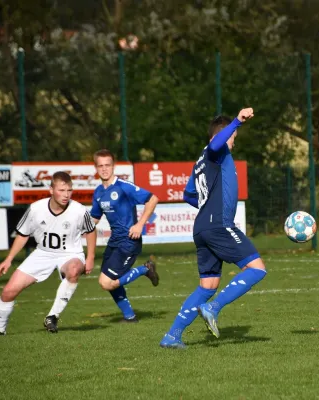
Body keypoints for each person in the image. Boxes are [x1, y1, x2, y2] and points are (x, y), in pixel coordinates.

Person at [160, 108, 267, 349]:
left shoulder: (200, 162)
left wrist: (206, 205)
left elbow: (188, 195)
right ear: (222, 135)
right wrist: (237, 121)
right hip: (218, 224)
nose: (233, 143)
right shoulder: (216, 151)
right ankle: (214, 308)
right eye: (233, 138)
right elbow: (217, 143)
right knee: (257, 269)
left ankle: (172, 335)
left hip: (202, 227)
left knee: (207, 285)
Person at [0, 172, 97, 336]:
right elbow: (23, 235)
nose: (66, 195)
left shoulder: (79, 210)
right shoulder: (36, 208)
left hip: (70, 253)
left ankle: (52, 316)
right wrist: (8, 259)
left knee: (73, 270)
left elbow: (91, 231)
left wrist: (90, 257)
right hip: (43, 253)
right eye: (61, 190)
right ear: (51, 190)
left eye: (69, 190)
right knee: (8, 291)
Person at [90, 149, 160, 322]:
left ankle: (145, 269)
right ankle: (130, 316)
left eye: (107, 165)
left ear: (113, 166)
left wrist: (140, 224)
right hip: (114, 241)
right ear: (96, 168)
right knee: (109, 279)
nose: (104, 169)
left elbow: (153, 199)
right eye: (100, 166)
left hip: (129, 240)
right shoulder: (98, 192)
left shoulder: (123, 186)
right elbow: (94, 219)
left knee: (106, 282)